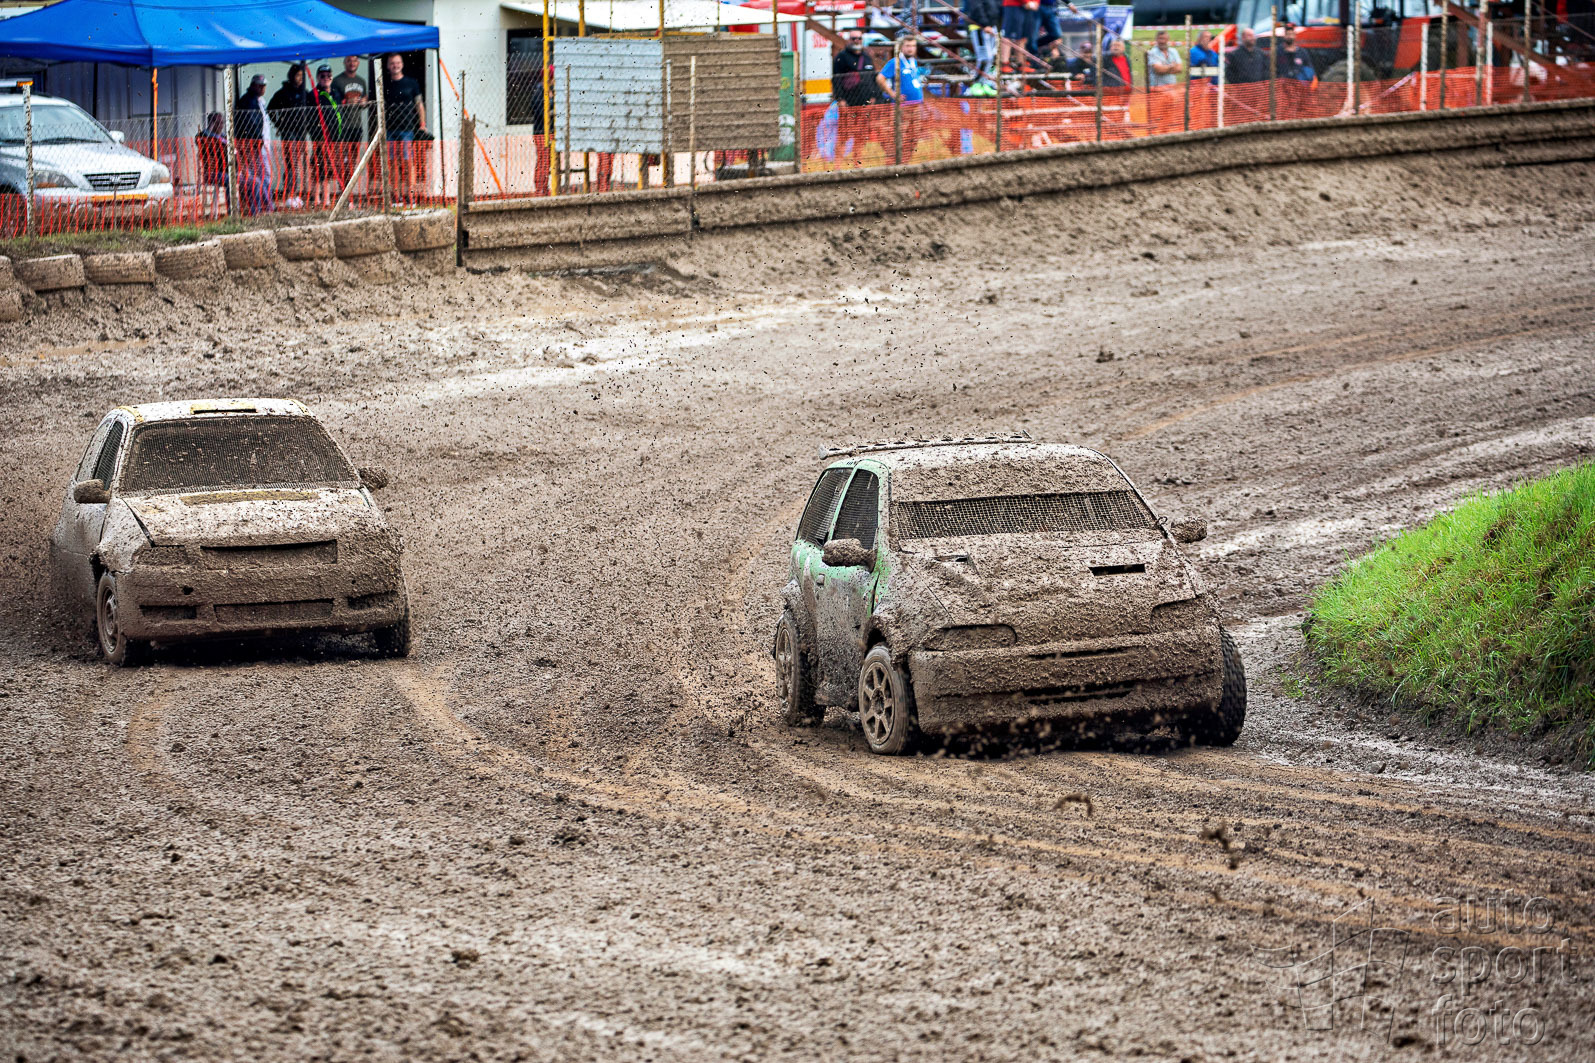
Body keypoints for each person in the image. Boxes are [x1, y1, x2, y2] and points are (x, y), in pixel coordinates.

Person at [382, 53, 427, 199]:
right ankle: (396, 194)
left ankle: (411, 194)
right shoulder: (385, 84)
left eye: (397, 62)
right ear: (388, 66)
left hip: (407, 128)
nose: (395, 65)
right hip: (390, 129)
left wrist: (422, 124)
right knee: (392, 162)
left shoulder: (412, 83)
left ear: (402, 64)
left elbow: (419, 104)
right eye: (392, 63)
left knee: (408, 161)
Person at [268, 64, 314, 201]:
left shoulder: (305, 93)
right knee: (291, 164)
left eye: (302, 76)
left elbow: (311, 111)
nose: (300, 78)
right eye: (298, 75)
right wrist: (280, 124)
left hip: (301, 132)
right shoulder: (283, 92)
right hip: (289, 132)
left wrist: (308, 125)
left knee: (300, 163)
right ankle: (289, 193)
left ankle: (299, 193)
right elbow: (270, 109)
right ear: (292, 76)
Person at [308, 65, 345, 208]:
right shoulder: (314, 95)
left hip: (335, 137)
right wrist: (317, 137)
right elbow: (310, 118)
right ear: (318, 77)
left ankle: (328, 197)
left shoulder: (336, 93)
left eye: (328, 75)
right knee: (319, 168)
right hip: (320, 137)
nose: (326, 78)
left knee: (330, 168)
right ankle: (318, 197)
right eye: (322, 76)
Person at [832, 29, 879, 106]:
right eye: (854, 38)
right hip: (849, 100)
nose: (857, 41)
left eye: (859, 38)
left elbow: (874, 78)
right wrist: (840, 99)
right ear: (849, 40)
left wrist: (874, 96)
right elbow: (836, 79)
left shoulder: (867, 56)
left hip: (867, 100)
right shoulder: (841, 57)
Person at [876, 35, 926, 104]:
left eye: (913, 46)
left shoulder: (913, 60)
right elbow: (880, 78)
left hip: (917, 102)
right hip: (902, 105)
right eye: (908, 46)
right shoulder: (895, 62)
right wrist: (892, 94)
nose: (911, 48)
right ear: (901, 47)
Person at [999, 0, 1040, 75]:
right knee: (1008, 35)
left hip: (1028, 7)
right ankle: (1004, 63)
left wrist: (1036, 2)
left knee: (1023, 37)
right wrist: (1027, 2)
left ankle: (1020, 63)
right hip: (1013, 5)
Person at [963, 0, 1000, 75]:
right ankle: (979, 80)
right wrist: (985, 24)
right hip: (979, 27)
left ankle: (990, 77)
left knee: (992, 57)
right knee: (984, 57)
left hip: (992, 27)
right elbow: (976, 7)